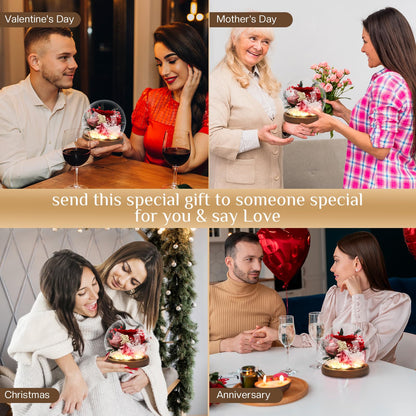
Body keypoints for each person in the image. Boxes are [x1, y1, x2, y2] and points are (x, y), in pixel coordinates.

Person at [8, 241, 168, 415]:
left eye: (133, 281)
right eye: (125, 268)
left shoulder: (126, 313)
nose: (122, 280)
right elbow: (35, 328)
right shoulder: (67, 281)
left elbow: (148, 343)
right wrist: (75, 374)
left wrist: (147, 374)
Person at [253, 232, 411, 362]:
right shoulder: (336, 294)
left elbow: (362, 353)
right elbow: (318, 340)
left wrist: (357, 297)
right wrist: (278, 335)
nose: (331, 268)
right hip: (338, 377)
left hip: (377, 383)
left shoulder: (396, 303)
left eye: (336, 261)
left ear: (357, 263)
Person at [305, 7, 416, 189]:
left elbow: (380, 149)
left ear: (383, 41)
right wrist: (344, 114)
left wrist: (335, 125)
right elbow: (383, 134)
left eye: (365, 41)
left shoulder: (388, 82)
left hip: (381, 188)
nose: (362, 49)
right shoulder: (403, 78)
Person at [209, 27, 312, 188]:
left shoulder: (264, 78)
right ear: (234, 39)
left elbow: (263, 121)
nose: (259, 47)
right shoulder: (218, 80)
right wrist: (257, 136)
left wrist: (284, 128)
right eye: (253, 38)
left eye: (265, 42)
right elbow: (213, 138)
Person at [0, 27, 90, 188]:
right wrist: (66, 153)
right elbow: (10, 176)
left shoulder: (79, 101)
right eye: (64, 57)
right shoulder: (6, 103)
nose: (74, 65)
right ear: (35, 62)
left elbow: (84, 165)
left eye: (73, 57)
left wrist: (97, 148)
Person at [114, 22, 208, 175]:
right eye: (159, 63)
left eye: (172, 61)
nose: (163, 71)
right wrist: (128, 149)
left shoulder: (214, 105)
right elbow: (138, 157)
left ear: (192, 59)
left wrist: (185, 101)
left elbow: (182, 165)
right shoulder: (150, 98)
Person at [209, 232, 286, 354]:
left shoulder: (272, 297)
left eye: (260, 259)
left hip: (263, 370)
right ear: (229, 262)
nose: (258, 267)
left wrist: (269, 344)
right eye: (249, 259)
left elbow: (283, 346)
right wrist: (227, 345)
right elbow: (191, 349)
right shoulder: (207, 296)